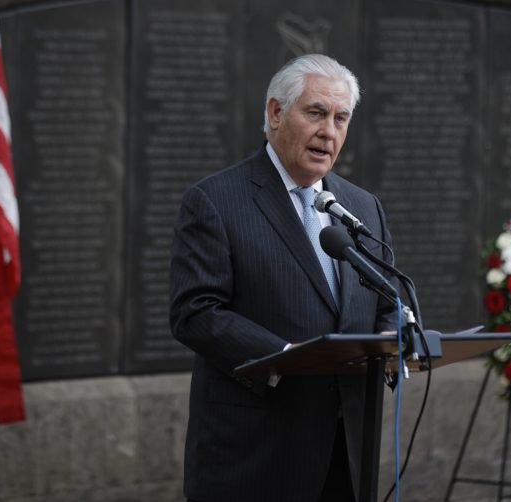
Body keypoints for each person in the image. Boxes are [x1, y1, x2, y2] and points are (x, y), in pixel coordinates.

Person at [169, 54, 397, 502]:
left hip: (347, 453)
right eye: (315, 112)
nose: (328, 131)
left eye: (340, 118)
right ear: (275, 112)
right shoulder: (215, 200)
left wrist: (395, 337)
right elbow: (194, 312)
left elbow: (385, 297)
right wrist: (287, 357)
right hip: (257, 454)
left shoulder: (362, 206)